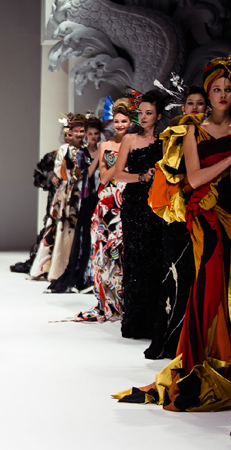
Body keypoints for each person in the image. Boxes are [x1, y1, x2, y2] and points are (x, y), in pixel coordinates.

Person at [115, 56, 231, 411]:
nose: (223, 95)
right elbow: (193, 178)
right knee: (209, 288)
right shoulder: (192, 131)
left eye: (228, 89)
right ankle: (208, 360)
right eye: (216, 89)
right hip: (208, 219)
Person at [144, 85, 208, 359]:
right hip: (176, 212)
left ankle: (193, 341)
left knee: (200, 276)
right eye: (190, 103)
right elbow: (171, 170)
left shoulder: (212, 134)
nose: (195, 108)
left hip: (205, 210)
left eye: (199, 104)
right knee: (175, 275)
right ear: (183, 108)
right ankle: (170, 340)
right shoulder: (174, 134)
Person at [113, 89, 166, 339]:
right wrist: (142, 177)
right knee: (135, 260)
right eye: (141, 113)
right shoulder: (129, 140)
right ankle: (135, 322)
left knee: (155, 260)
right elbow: (118, 174)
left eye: (149, 113)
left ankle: (155, 322)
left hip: (157, 205)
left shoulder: (165, 141)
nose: (143, 117)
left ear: (158, 116)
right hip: (134, 205)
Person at [75, 98, 133, 321]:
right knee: (105, 252)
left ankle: (127, 301)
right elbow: (104, 176)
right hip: (109, 201)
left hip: (129, 199)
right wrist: (121, 163)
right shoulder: (105, 146)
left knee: (125, 251)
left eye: (124, 121)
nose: (120, 125)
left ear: (131, 122)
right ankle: (108, 301)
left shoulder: (136, 143)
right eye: (116, 121)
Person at [48, 116, 102, 293]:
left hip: (100, 195)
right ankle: (83, 275)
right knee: (83, 235)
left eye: (95, 133)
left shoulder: (102, 149)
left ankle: (96, 275)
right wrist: (98, 156)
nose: (92, 137)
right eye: (89, 134)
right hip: (83, 196)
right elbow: (85, 173)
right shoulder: (80, 153)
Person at [30, 115, 84, 281]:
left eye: (80, 131)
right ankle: (56, 268)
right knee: (60, 229)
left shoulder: (87, 149)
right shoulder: (62, 151)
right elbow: (55, 172)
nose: (74, 135)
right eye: (70, 133)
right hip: (65, 194)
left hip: (81, 192)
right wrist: (55, 178)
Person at [10, 125, 71, 274]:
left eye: (72, 134)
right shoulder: (53, 156)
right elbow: (38, 177)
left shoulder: (82, 154)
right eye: (66, 135)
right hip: (57, 199)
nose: (69, 138)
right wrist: (51, 177)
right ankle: (50, 267)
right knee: (54, 229)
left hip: (75, 197)